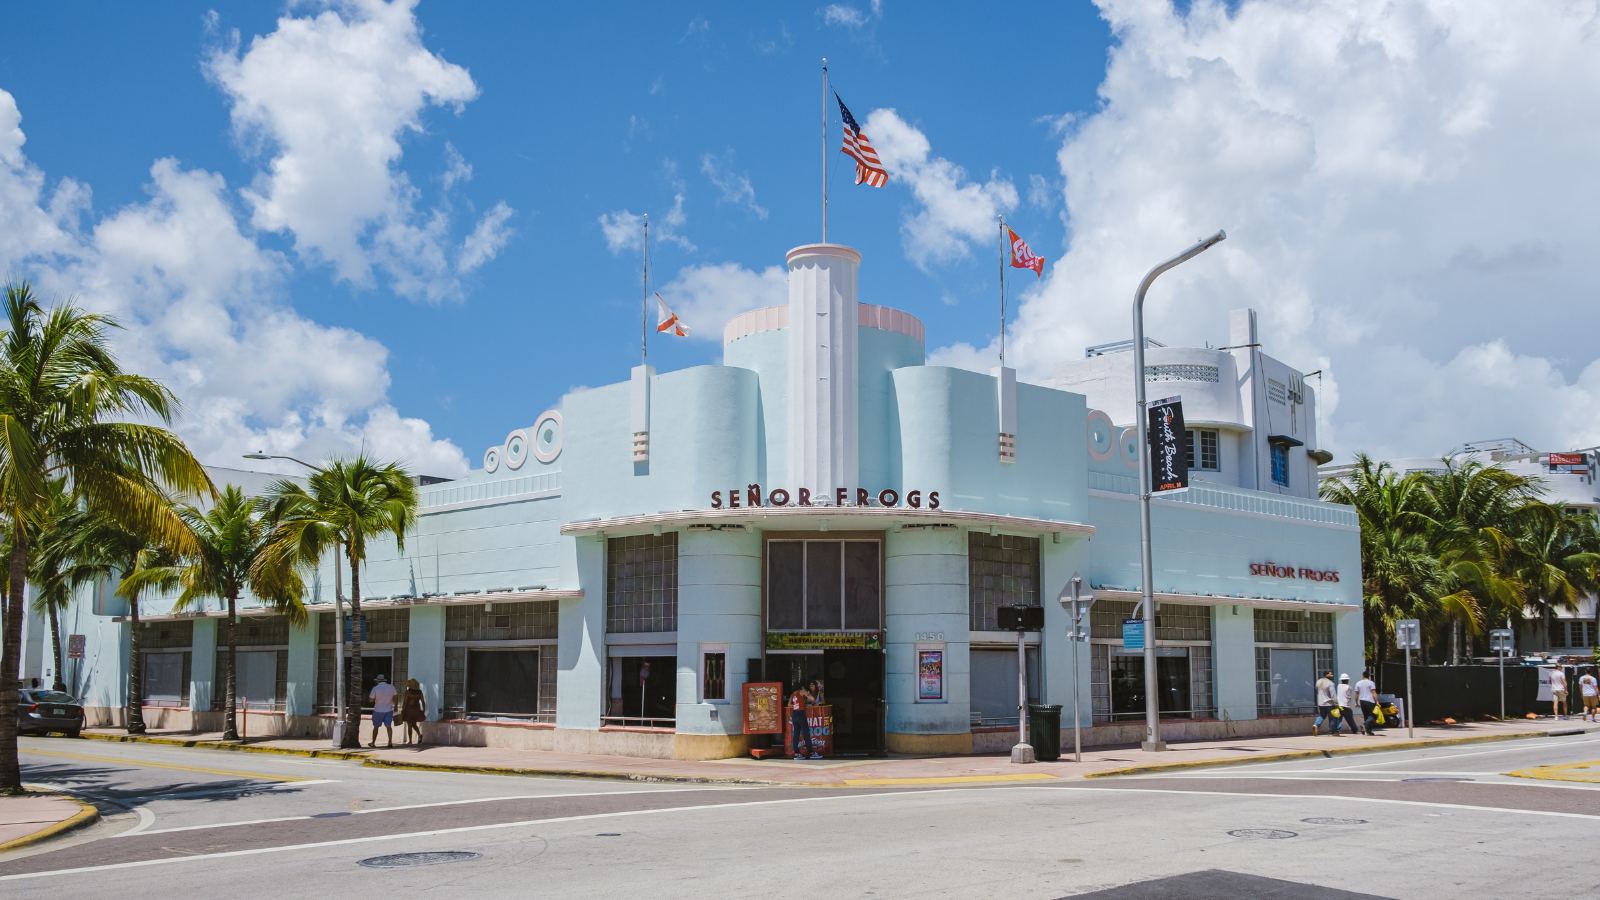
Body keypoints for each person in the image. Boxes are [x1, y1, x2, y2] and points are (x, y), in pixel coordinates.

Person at [368, 673, 398, 748]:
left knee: (376, 727)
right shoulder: (391, 687)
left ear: (378, 681)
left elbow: (371, 700)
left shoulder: (375, 688)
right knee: (388, 726)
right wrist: (396, 706)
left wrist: (377, 698)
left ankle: (373, 742)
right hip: (388, 709)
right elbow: (395, 697)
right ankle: (390, 742)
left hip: (378, 710)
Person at [790, 685, 820, 760]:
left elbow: (789, 704)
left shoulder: (793, 693)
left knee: (796, 734)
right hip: (801, 714)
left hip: (794, 714)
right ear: (802, 687)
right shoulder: (802, 691)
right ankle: (812, 753)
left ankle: (796, 754)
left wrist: (799, 704)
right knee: (806, 733)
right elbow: (812, 699)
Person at [1313, 671, 1344, 736]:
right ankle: (1331, 732)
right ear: (1326, 675)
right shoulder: (1331, 683)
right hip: (1329, 703)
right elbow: (1333, 695)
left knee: (1321, 716)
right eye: (1330, 674)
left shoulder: (1318, 682)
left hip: (1321, 703)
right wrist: (1336, 704)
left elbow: (1317, 690)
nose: (1332, 675)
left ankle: (1316, 725)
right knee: (1332, 718)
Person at [400, 678, 426, 746]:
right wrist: (423, 709)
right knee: (413, 724)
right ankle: (419, 734)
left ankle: (410, 740)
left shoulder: (408, 692)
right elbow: (423, 701)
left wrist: (402, 710)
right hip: (416, 709)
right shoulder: (419, 692)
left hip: (409, 709)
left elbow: (405, 702)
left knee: (409, 725)